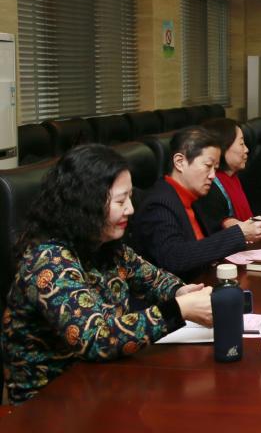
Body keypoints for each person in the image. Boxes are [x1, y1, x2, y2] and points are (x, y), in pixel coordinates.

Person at [2, 145, 213, 404]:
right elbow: (96, 338)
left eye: (130, 198)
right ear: (87, 204)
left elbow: (154, 279)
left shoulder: (104, 244)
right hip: (50, 402)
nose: (131, 209)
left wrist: (180, 291)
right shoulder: (49, 261)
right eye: (120, 201)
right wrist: (178, 309)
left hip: (102, 384)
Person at [134, 127, 261, 280]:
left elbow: (210, 238)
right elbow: (175, 257)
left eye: (215, 168)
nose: (212, 175)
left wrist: (232, 225)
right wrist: (239, 233)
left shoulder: (193, 196)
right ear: (180, 162)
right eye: (207, 166)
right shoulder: (159, 204)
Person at [192, 118, 261, 235]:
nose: (246, 149)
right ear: (223, 148)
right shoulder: (209, 186)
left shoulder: (235, 177)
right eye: (241, 144)